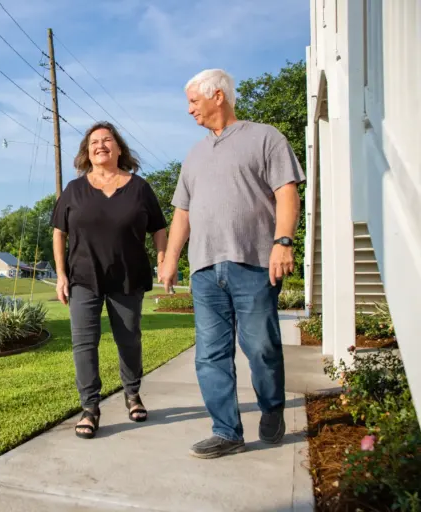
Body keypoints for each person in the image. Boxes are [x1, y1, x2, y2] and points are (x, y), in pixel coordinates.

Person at [161, 69, 305, 458]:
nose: (189, 109)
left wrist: (283, 242)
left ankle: (271, 407)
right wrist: (171, 258)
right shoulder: (194, 155)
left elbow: (287, 192)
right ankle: (226, 431)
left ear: (218, 96)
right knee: (210, 355)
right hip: (205, 269)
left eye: (194, 101)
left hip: (254, 262)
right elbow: (182, 212)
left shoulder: (265, 138)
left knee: (261, 347)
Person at [50, 121, 168, 439]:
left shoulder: (139, 187)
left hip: (128, 277)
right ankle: (90, 408)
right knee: (84, 344)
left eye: (107, 140)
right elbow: (59, 232)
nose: (100, 145)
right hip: (83, 277)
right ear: (87, 153)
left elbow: (159, 227)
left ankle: (132, 393)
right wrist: (61, 274)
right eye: (94, 142)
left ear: (118, 149)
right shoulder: (74, 190)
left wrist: (162, 259)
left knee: (129, 340)